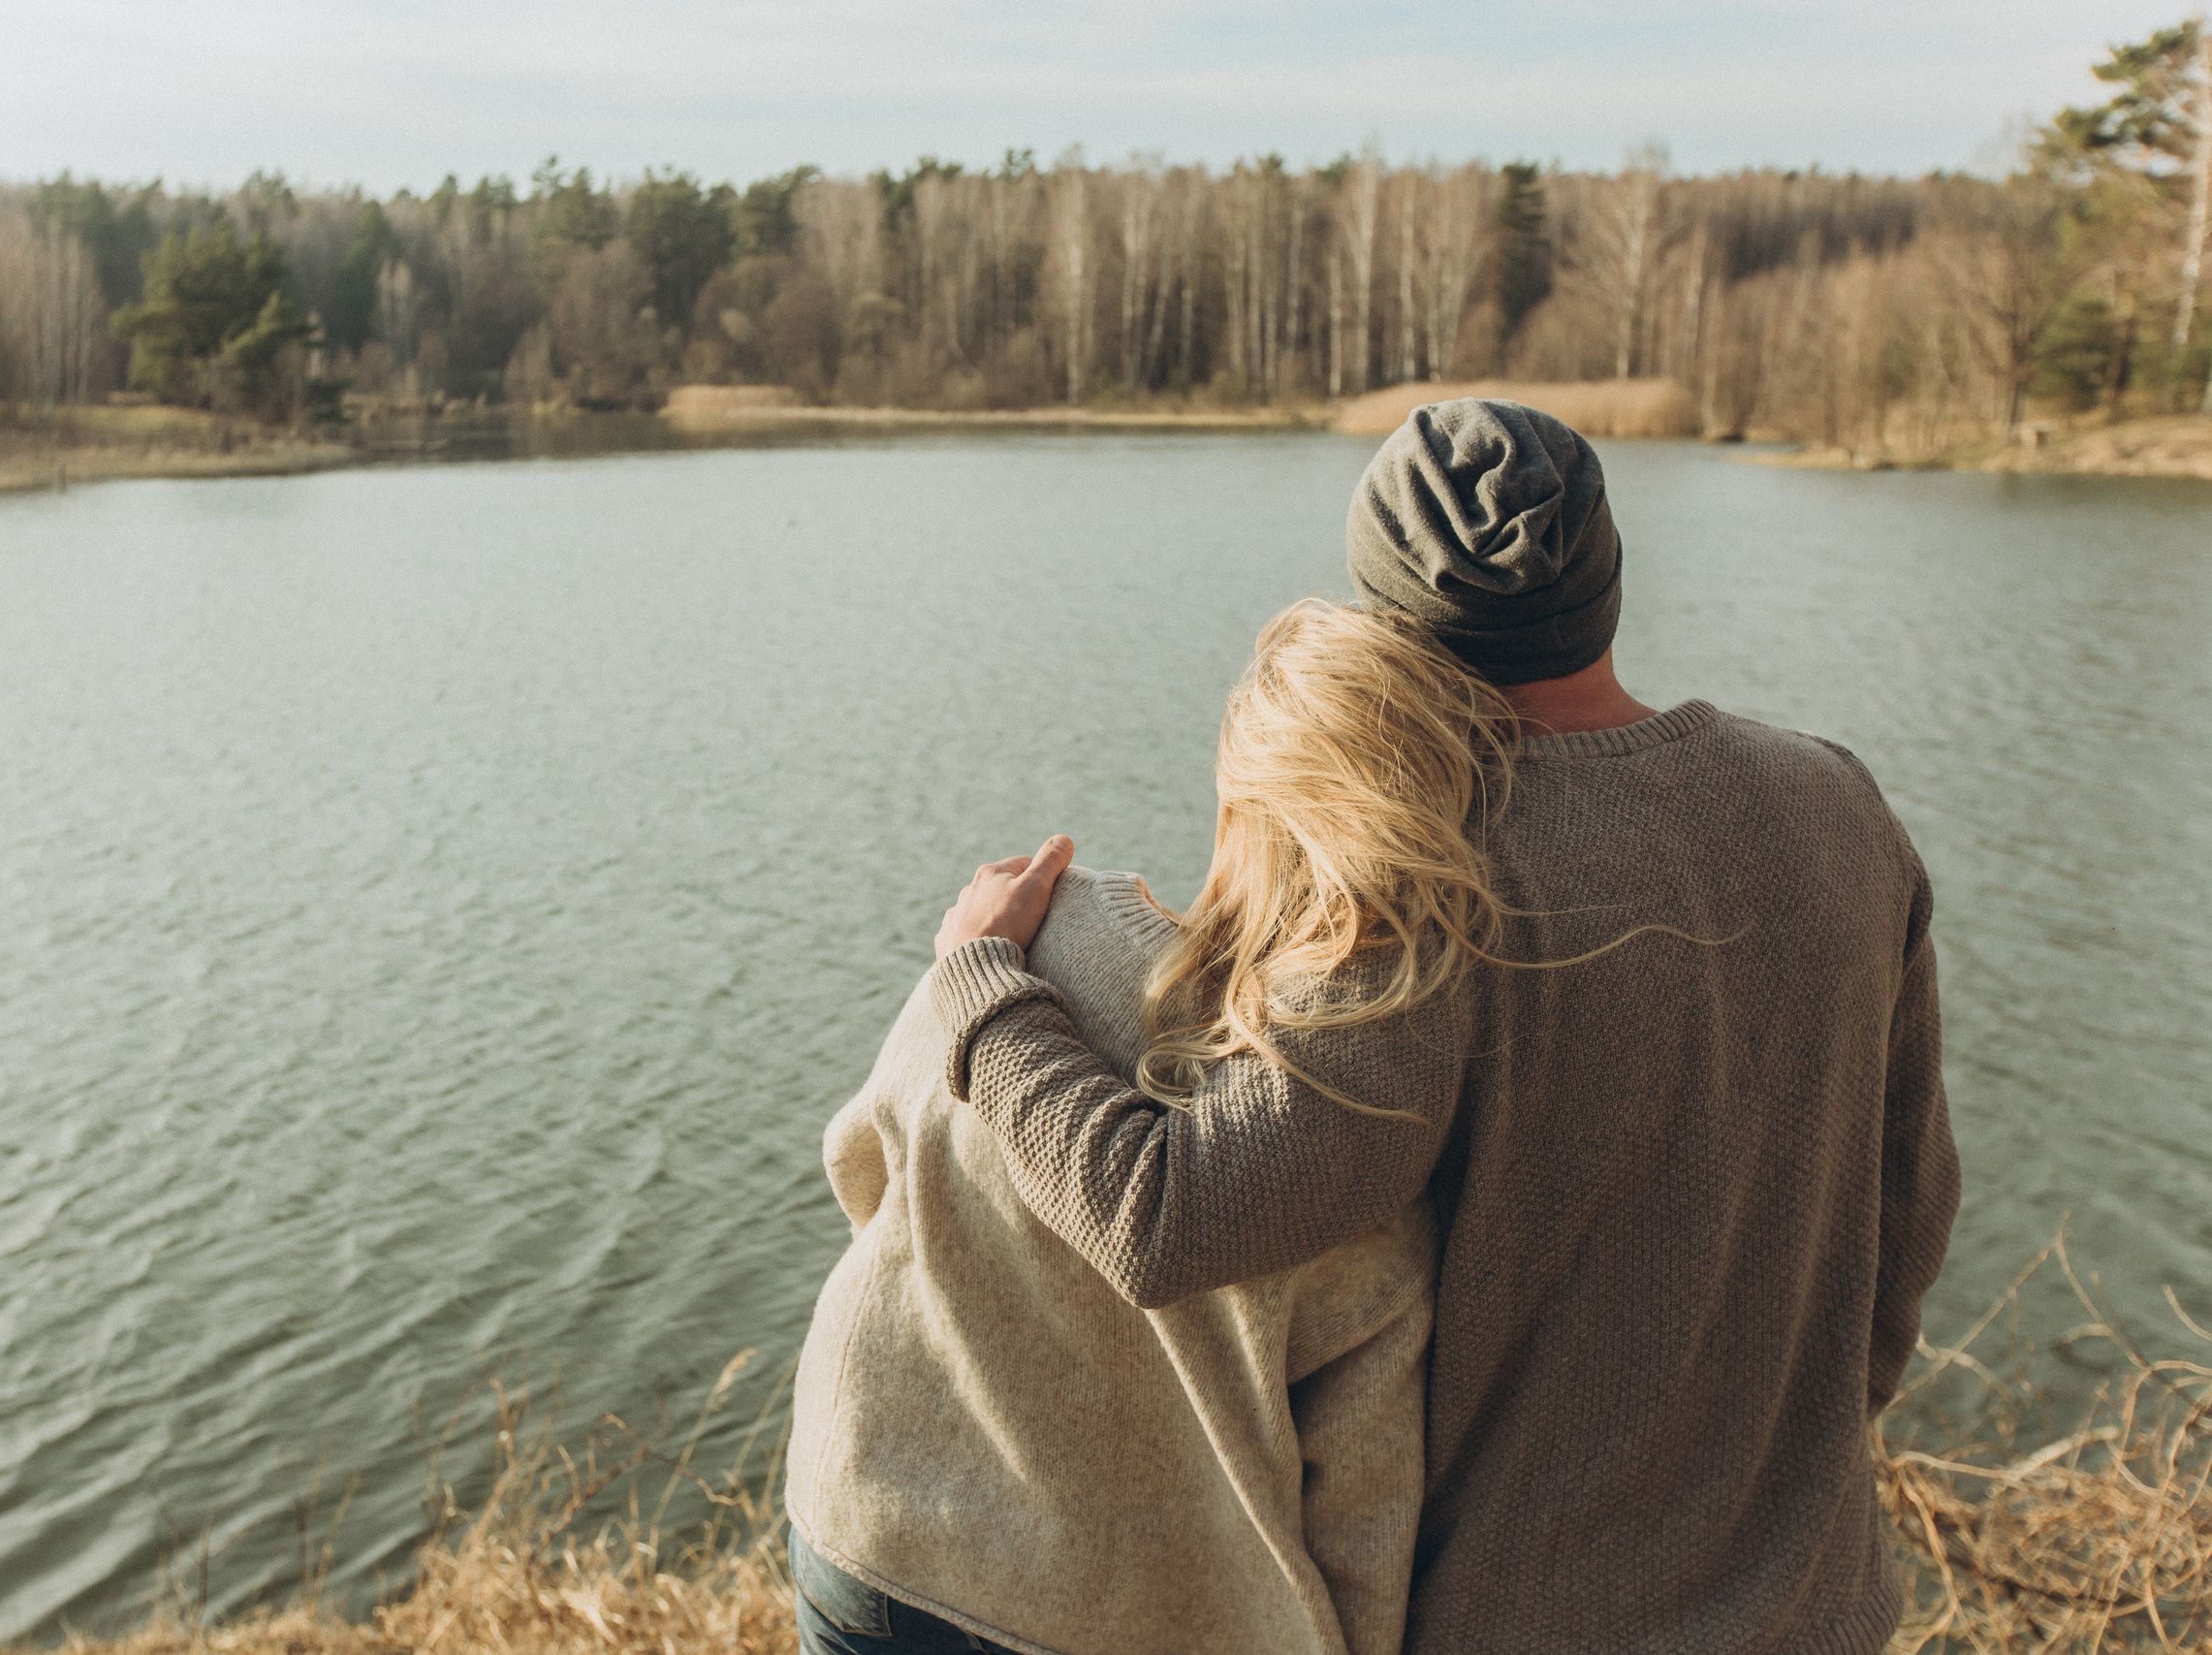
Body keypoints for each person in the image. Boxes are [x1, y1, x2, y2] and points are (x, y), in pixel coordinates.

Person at [925, 398, 1959, 1655]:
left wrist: (983, 986)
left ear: (1384, 628)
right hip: (1821, 1607)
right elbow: (1909, 1219)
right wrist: (1793, 1463)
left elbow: (1167, 1213)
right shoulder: (1836, 805)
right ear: (1608, 580)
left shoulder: (1420, 882)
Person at [785, 601, 1525, 1655]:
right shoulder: (1360, 1122)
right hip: (1122, 1611)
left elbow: (861, 1166)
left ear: (1239, 797)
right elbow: (1359, 1492)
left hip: (873, 1522)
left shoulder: (1021, 935)